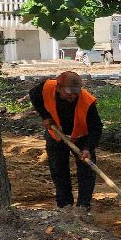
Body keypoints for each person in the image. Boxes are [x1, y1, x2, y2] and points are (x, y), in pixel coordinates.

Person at [30, 70, 102, 215]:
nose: (73, 96)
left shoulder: (87, 101)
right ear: (59, 87)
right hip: (57, 134)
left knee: (86, 172)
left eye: (76, 92)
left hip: (82, 137)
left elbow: (96, 128)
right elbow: (33, 95)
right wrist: (45, 116)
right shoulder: (47, 87)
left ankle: (83, 208)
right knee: (59, 170)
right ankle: (64, 206)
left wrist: (88, 148)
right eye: (69, 92)